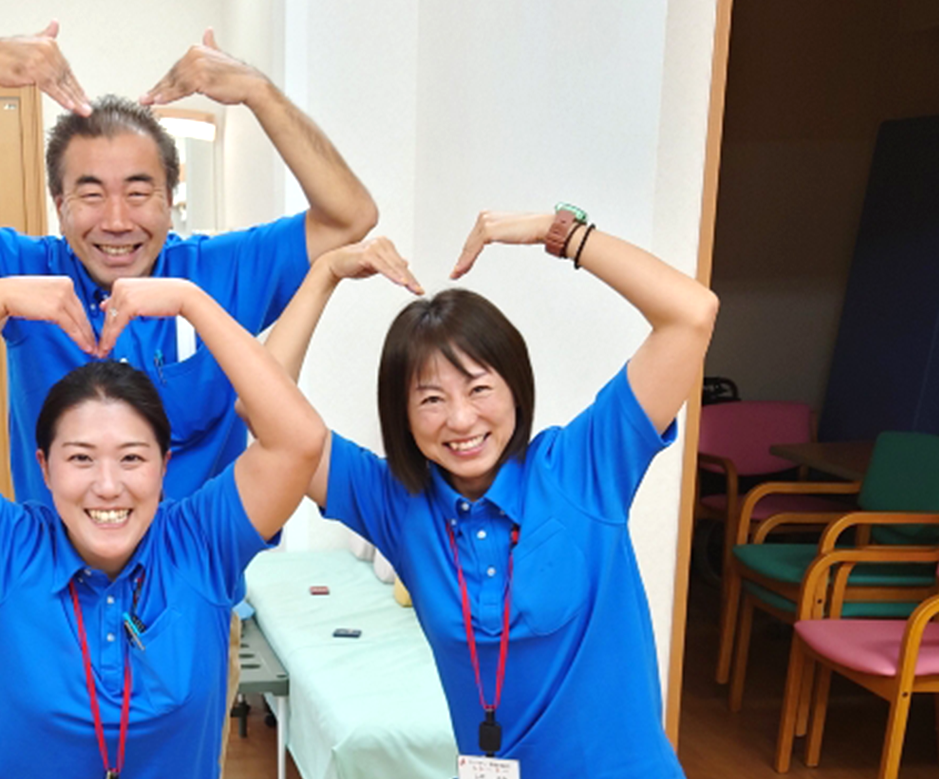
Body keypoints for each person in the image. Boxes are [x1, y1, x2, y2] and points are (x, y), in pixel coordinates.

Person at [263, 210, 717, 777]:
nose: (460, 419)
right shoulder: (397, 502)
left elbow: (692, 315)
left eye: (479, 388)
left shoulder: (582, 466)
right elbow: (263, 411)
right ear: (402, 415)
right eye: (430, 399)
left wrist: (560, 232)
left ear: (515, 388)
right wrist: (325, 272)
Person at [0, 23, 377, 505]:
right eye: (91, 194)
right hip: (58, 582)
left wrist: (258, 91)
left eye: (139, 193)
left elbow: (349, 218)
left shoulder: (216, 273)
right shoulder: (25, 273)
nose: (117, 221)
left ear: (170, 197)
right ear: (59, 203)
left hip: (195, 579)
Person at [0, 275, 326, 779]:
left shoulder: (202, 542)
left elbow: (299, 441)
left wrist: (193, 303)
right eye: (81, 458)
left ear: (164, 466)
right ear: (45, 467)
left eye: (131, 458)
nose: (107, 486)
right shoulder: (3, 547)